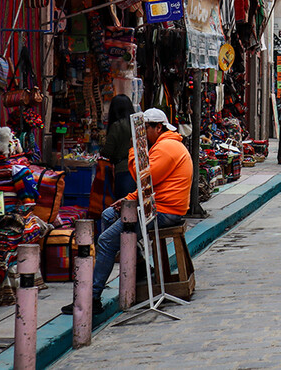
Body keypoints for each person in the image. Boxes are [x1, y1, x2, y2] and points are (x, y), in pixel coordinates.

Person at [63, 108, 193, 315]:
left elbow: (143, 178)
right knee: (107, 215)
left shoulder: (167, 147)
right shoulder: (165, 145)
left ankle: (92, 296)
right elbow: (150, 187)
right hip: (160, 206)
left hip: (165, 212)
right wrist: (130, 198)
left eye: (145, 129)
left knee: (106, 240)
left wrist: (133, 150)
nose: (141, 134)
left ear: (157, 127)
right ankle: (138, 265)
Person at [100, 95, 137, 199]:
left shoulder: (117, 126)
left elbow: (108, 151)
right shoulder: (137, 124)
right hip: (138, 167)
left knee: (124, 203)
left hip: (123, 169)